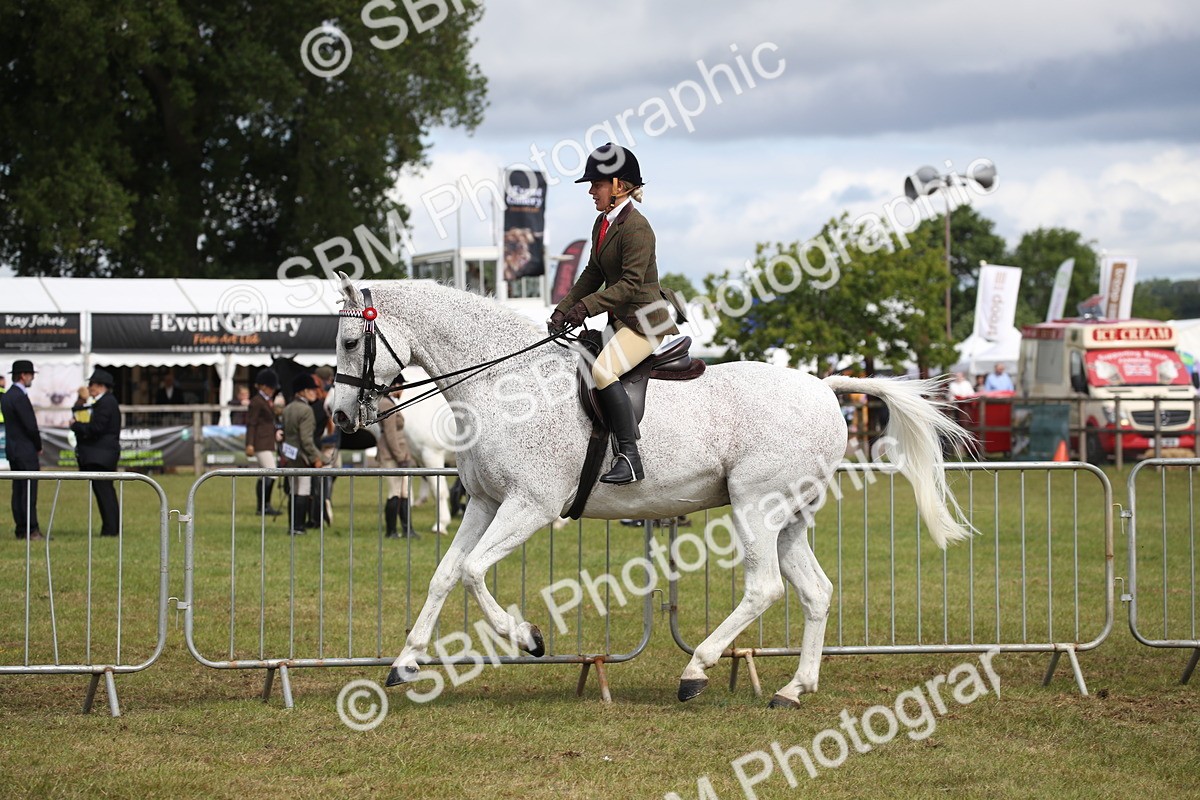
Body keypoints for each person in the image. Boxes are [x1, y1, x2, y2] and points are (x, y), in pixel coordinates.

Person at [548, 143, 678, 485]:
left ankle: (630, 457)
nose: (591, 191)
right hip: (620, 320)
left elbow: (631, 284)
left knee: (604, 371)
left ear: (619, 185)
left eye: (598, 184)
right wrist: (563, 310)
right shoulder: (601, 223)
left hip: (644, 321)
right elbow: (592, 274)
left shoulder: (637, 228)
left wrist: (585, 308)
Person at [70, 368, 122, 537]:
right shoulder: (104, 402)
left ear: (101, 386)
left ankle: (110, 529)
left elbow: (97, 428)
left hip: (101, 456)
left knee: (105, 493)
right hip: (101, 455)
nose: (89, 387)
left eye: (92, 384)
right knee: (105, 493)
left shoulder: (106, 403)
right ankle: (111, 528)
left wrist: (75, 425)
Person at [3, 360, 43, 540]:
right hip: (25, 450)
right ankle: (31, 528)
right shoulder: (20, 396)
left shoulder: (7, 396)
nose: (32, 378)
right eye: (30, 375)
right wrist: (38, 445)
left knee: (18, 490)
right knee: (28, 491)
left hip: (13, 449)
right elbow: (30, 426)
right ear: (23, 375)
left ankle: (21, 527)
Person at [282, 373, 324, 536]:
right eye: (310, 390)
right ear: (302, 392)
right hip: (303, 456)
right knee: (303, 489)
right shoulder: (306, 410)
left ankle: (292, 525)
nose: (314, 392)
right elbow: (306, 440)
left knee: (293, 490)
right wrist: (316, 458)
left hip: (289, 454)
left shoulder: (288, 408)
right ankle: (298, 526)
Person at [376, 388, 417, 539]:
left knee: (404, 492)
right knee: (394, 492)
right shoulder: (386, 404)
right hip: (391, 455)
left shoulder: (390, 402)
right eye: (400, 385)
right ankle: (391, 531)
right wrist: (400, 457)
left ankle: (407, 529)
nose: (403, 389)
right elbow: (390, 434)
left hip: (399, 454)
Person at [245, 369, 282, 517]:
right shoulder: (256, 402)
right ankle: (265, 506)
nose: (273, 390)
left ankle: (262, 507)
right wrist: (250, 444)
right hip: (260, 442)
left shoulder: (266, 401)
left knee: (263, 475)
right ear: (264, 386)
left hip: (266, 441)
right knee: (272, 473)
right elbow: (251, 424)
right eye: (271, 387)